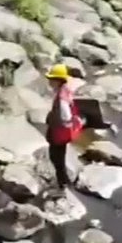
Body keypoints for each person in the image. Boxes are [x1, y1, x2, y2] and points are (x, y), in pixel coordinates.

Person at [45, 64, 82, 194]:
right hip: (63, 133)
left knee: (56, 158)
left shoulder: (62, 97)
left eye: (51, 79)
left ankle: (62, 185)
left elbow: (65, 115)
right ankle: (64, 181)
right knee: (60, 156)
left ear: (58, 80)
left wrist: (63, 122)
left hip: (58, 132)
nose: (49, 82)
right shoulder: (65, 90)